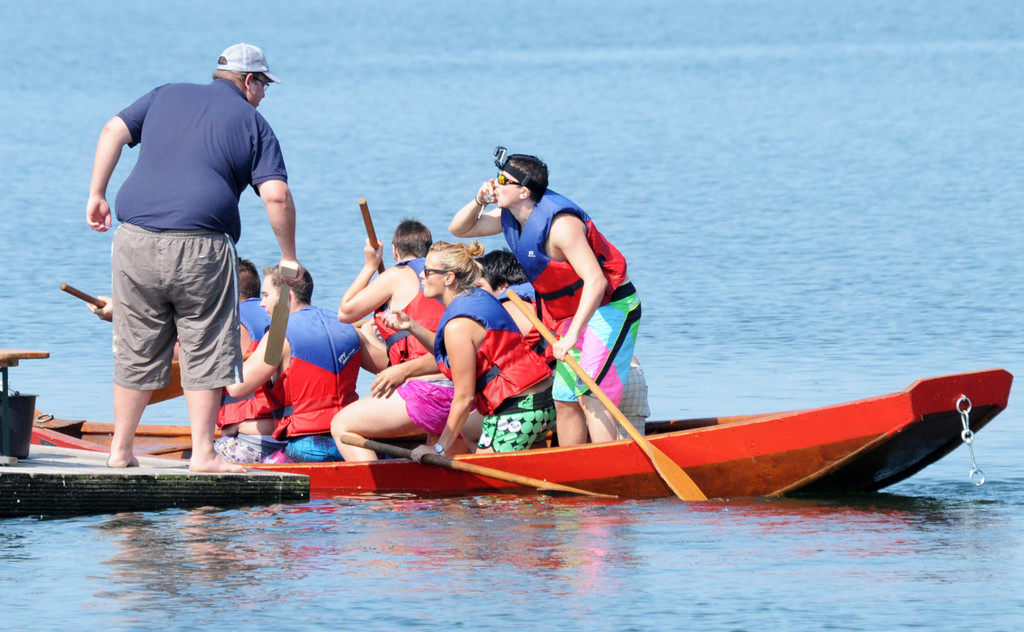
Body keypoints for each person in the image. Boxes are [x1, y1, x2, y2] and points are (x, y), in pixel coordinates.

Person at [85, 43, 302, 472]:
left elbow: (112, 129)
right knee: (205, 345)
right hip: (202, 246)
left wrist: (96, 194)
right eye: (263, 86)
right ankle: (203, 454)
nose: (263, 96)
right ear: (249, 81)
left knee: (138, 347)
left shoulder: (165, 94)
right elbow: (275, 194)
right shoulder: (253, 122)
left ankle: (120, 451)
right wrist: (289, 255)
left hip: (135, 238)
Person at [449, 148, 640, 446]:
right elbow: (459, 229)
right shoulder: (509, 217)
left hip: (609, 306)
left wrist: (571, 336)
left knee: (591, 396)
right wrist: (478, 200)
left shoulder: (562, 227)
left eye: (503, 179)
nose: (494, 183)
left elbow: (596, 281)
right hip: (572, 314)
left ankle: (605, 469)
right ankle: (574, 469)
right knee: (563, 399)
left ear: (524, 192)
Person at [351, 241, 555, 460]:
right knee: (469, 427)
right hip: (541, 400)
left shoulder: (458, 324)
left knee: (490, 491)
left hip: (519, 410)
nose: (421, 276)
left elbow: (464, 397)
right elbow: (450, 355)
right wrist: (412, 326)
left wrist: (438, 449)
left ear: (448, 278)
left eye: (428, 272)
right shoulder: (477, 297)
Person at [331, 220, 455, 461]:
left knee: (341, 425)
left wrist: (370, 266)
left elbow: (345, 314)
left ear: (395, 251)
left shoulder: (397, 274)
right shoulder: (445, 279)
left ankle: (378, 495)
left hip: (428, 392)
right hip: (458, 388)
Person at [224, 267, 361, 462]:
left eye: (266, 295)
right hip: (347, 440)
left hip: (305, 446)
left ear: (286, 298)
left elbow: (236, 388)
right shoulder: (345, 325)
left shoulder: (278, 334)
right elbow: (387, 364)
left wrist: (225, 352)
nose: (262, 304)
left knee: (216, 451)